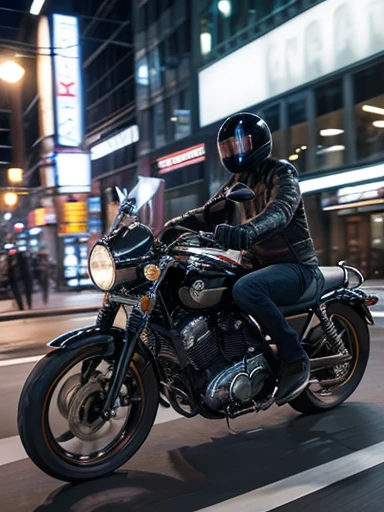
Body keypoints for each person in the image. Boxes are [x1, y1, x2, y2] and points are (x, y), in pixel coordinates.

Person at [162, 112, 320, 406]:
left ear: (258, 142)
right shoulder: (237, 181)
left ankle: (295, 357)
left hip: (295, 266)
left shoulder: (282, 173)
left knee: (247, 289)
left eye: (241, 144)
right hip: (259, 265)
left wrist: (245, 232)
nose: (235, 153)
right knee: (208, 282)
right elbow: (206, 213)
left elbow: (280, 211)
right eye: (229, 148)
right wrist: (168, 229)